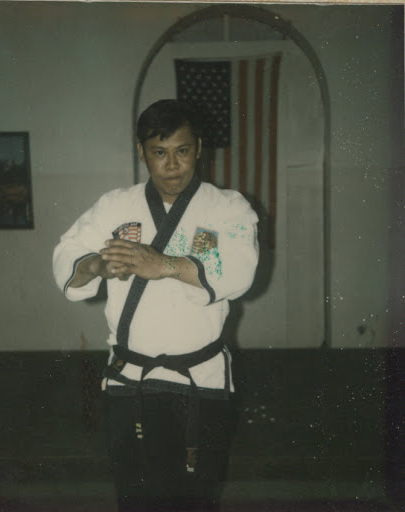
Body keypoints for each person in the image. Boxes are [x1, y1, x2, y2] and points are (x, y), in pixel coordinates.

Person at [53, 99, 259, 512]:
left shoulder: (227, 207)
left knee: (197, 500)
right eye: (159, 152)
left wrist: (162, 265)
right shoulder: (115, 205)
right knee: (135, 498)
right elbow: (66, 253)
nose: (172, 165)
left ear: (199, 148)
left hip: (199, 380)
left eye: (182, 151)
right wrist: (97, 265)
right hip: (131, 380)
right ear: (141, 152)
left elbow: (239, 271)